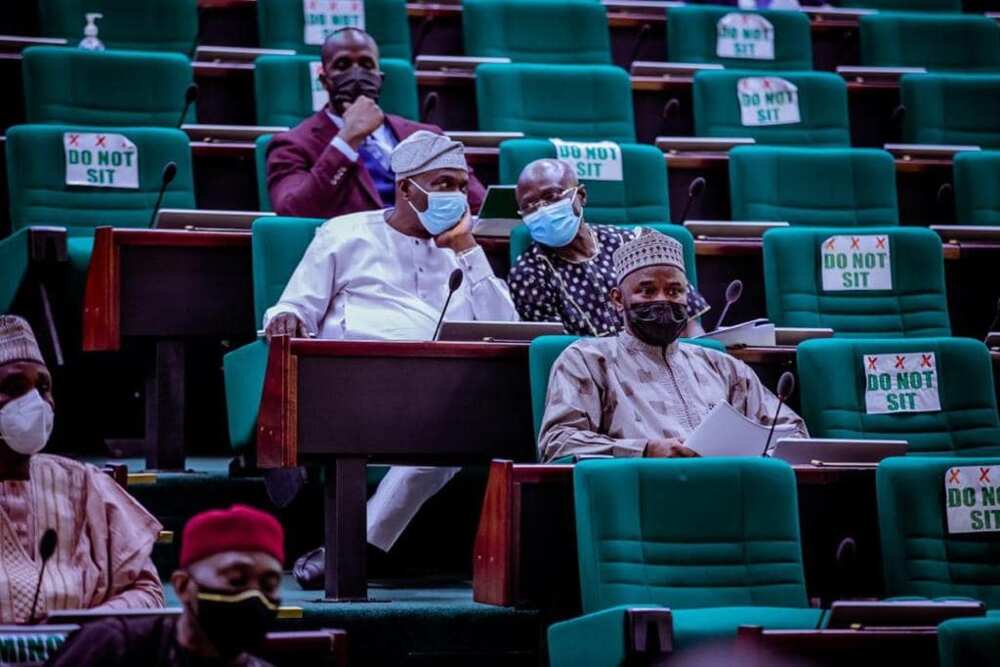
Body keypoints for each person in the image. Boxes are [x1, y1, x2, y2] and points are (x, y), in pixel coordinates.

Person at [265, 130, 518, 588]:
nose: (458, 197)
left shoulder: (463, 254)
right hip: (353, 388)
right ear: (406, 188)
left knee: (450, 439)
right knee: (445, 432)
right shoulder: (346, 233)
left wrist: (468, 251)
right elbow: (294, 307)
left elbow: (507, 328)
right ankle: (357, 545)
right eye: (443, 184)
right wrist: (283, 317)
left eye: (462, 186)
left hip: (439, 398)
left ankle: (353, 547)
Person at [537, 230, 807, 462]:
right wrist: (644, 451)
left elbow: (793, 433)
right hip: (639, 498)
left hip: (729, 491)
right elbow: (558, 442)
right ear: (618, 299)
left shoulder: (721, 365)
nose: (663, 299)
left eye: (674, 291)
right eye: (647, 290)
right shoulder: (588, 360)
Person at [0, 315, 163, 623]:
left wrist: (83, 632)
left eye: (43, 387)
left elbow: (147, 593)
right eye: (14, 386)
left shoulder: (84, 484)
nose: (35, 402)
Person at [266, 27, 486, 218]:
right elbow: (293, 212)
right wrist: (346, 141)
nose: (356, 73)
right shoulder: (292, 144)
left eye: (366, 64)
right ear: (324, 80)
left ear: (379, 76)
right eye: (342, 65)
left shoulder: (426, 135)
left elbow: (478, 206)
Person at [47, 505, 284, 667]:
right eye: (236, 580)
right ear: (182, 586)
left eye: (269, 585)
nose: (254, 595)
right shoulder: (113, 647)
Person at [508, 159, 709, 338]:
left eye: (552, 196)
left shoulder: (633, 242)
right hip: (593, 369)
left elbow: (688, 324)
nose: (542, 209)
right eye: (530, 205)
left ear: (581, 195)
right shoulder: (528, 274)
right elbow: (556, 349)